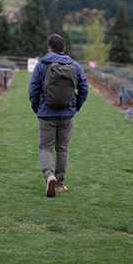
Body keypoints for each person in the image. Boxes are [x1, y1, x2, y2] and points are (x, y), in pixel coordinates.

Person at [28, 33, 88, 197]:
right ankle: (60, 184)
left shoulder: (41, 65)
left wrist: (37, 109)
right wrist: (75, 108)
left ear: (50, 49)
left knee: (45, 147)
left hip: (46, 114)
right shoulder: (75, 66)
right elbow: (84, 89)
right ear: (64, 49)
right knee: (62, 148)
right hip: (67, 114)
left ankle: (49, 176)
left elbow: (33, 90)